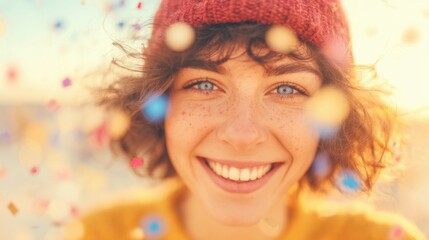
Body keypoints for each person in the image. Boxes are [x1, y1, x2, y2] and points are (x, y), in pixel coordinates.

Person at [75, 0, 426, 239]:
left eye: (287, 89)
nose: (242, 135)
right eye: (203, 84)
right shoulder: (102, 232)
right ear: (157, 102)